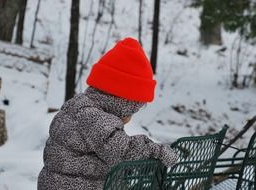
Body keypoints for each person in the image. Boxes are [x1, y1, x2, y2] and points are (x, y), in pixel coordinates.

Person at [37, 37, 178, 190]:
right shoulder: (93, 117)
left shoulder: (81, 106)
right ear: (122, 102)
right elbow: (123, 150)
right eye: (134, 109)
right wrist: (158, 151)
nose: (131, 117)